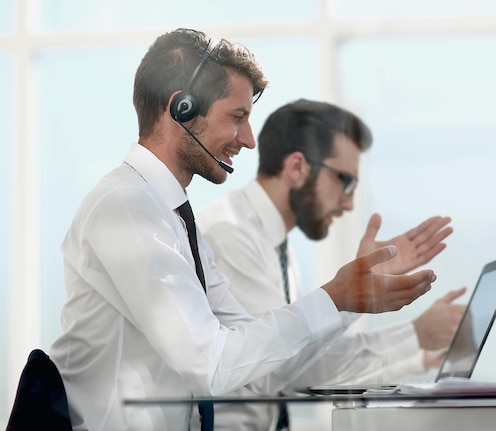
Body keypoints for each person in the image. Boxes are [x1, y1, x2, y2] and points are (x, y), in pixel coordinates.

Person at [47, 29, 438, 431]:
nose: (249, 141)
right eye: (238, 117)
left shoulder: (175, 218)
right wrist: (335, 298)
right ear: (181, 108)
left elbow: (252, 348)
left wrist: (346, 299)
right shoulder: (126, 207)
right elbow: (210, 366)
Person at [196, 99, 467, 431]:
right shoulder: (230, 236)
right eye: (345, 180)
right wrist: (358, 297)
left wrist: (415, 349)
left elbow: (304, 365)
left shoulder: (277, 246)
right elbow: (274, 370)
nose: (349, 203)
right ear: (297, 167)